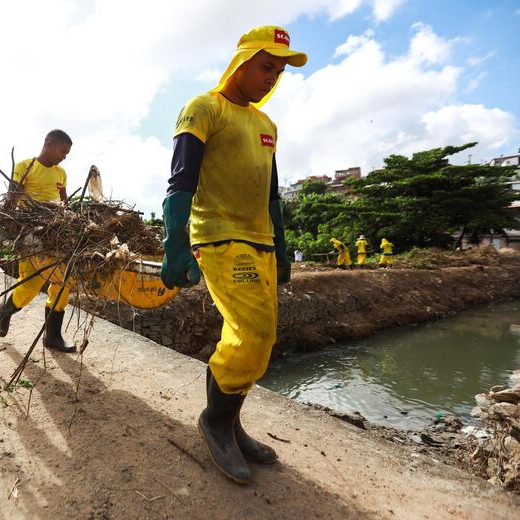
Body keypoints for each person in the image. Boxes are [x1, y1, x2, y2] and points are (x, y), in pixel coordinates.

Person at [160, 25, 306, 483]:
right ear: (242, 61)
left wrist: (282, 250)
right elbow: (180, 183)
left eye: (279, 71)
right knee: (253, 333)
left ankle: (230, 421)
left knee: (255, 342)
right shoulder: (204, 108)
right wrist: (175, 247)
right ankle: (215, 422)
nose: (272, 78)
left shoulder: (267, 126)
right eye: (266, 67)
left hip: (261, 241)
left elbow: (273, 195)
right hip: (220, 237)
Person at [0, 129, 76, 353]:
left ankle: (53, 336)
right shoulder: (24, 167)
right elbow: (11, 202)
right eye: (63, 151)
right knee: (30, 286)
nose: (64, 156)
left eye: (67, 153)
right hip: (30, 234)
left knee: (62, 283)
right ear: (49, 144)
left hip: (56, 235)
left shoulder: (62, 173)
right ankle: (7, 309)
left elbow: (64, 205)